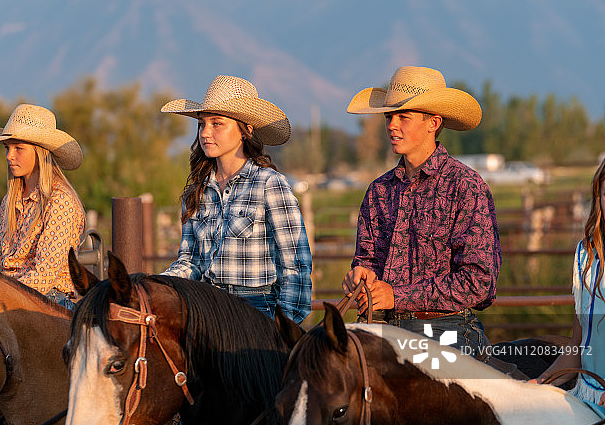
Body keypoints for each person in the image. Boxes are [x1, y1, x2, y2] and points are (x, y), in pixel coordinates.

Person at [341, 66, 501, 357]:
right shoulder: (379, 191)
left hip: (446, 328)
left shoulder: (465, 186)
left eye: (404, 116)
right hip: (386, 328)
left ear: (433, 123)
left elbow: (479, 281)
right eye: (389, 116)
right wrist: (361, 278)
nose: (391, 125)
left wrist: (396, 296)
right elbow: (368, 261)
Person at [160, 75, 312, 323]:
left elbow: (296, 265)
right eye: (202, 124)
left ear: (245, 131)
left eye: (217, 124)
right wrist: (157, 284)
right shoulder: (196, 191)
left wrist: (286, 327)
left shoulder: (269, 184)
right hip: (207, 308)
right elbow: (191, 261)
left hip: (256, 310)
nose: (205, 133)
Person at [0, 103, 85, 310]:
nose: (9, 156)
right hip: (9, 300)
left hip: (48, 304)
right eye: (7, 148)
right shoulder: (9, 201)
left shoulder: (60, 201)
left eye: (19, 148)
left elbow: (45, 274)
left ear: (40, 153)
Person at [529, 160, 605, 406]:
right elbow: (577, 345)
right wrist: (539, 384)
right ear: (598, 198)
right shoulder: (586, 253)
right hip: (588, 394)